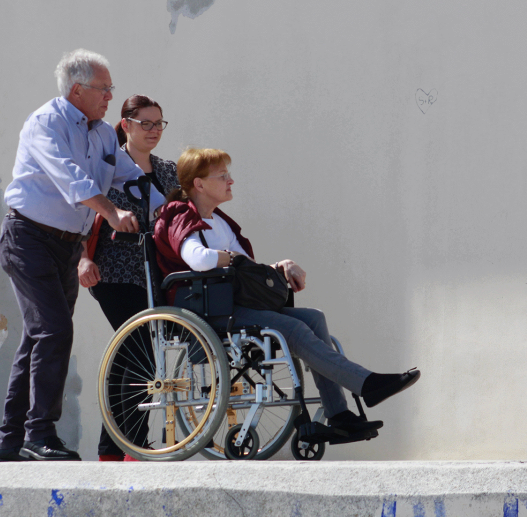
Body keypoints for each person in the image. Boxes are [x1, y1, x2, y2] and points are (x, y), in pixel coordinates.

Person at [155, 147, 420, 435]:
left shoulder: (219, 222)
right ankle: (367, 383)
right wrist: (232, 258)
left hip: (232, 302)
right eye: (222, 176)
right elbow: (199, 259)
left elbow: (247, 269)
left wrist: (281, 265)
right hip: (205, 308)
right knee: (292, 329)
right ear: (199, 184)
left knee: (314, 317)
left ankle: (339, 414)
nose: (231, 180)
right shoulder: (179, 214)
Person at [0, 50, 165, 462]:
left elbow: (131, 176)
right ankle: (39, 434)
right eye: (103, 88)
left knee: (38, 337)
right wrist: (111, 212)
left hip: (67, 245)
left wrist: (176, 213)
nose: (110, 96)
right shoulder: (46, 123)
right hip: (28, 238)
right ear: (77, 90)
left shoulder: (104, 133)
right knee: (54, 331)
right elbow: (70, 178)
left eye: (110, 88)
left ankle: (9, 440)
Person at [78, 94, 178, 461]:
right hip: (114, 272)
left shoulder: (168, 171)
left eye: (159, 123)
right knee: (141, 352)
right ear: (126, 125)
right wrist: (82, 260)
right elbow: (83, 215)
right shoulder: (108, 166)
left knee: (132, 355)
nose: (154, 130)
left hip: (155, 274)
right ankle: (131, 446)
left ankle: (115, 449)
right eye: (145, 123)